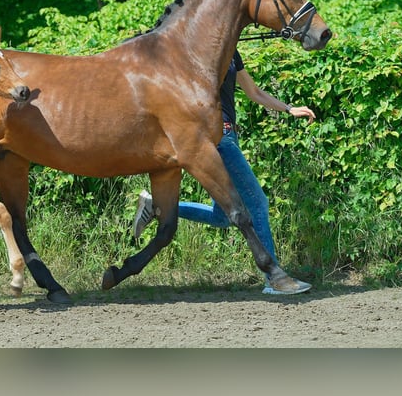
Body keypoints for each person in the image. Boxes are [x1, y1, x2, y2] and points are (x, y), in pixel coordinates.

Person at [132, 49, 314, 295]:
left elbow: (254, 92)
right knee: (258, 204)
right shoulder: (193, 49)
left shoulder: (231, 53)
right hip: (219, 138)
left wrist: (288, 108)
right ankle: (273, 279)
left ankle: (155, 205)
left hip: (230, 137)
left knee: (220, 216)